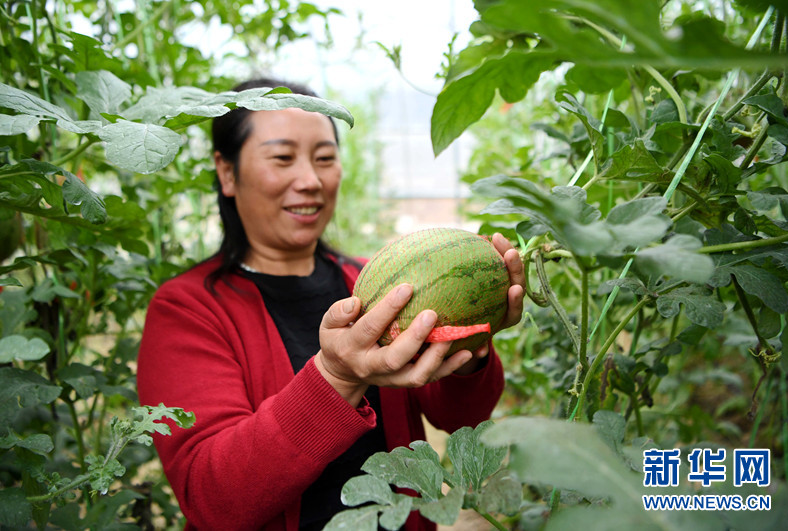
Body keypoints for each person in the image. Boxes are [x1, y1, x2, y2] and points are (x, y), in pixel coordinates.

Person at [136, 78, 525, 531]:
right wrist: (336, 377)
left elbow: (459, 419)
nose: (310, 180)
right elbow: (213, 499)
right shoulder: (186, 309)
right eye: (282, 158)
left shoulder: (370, 281)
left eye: (324, 158)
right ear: (227, 172)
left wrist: (471, 341)